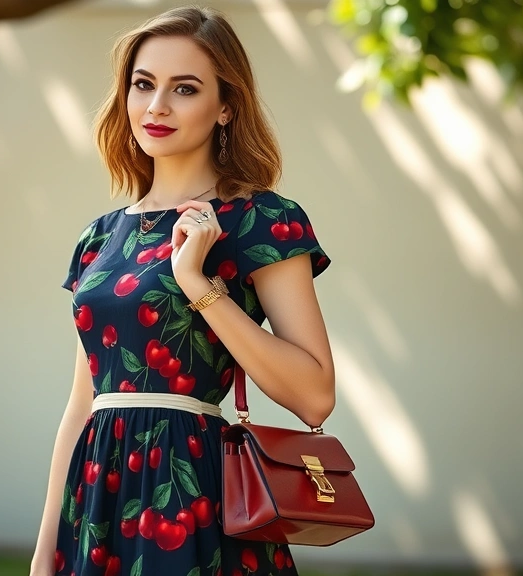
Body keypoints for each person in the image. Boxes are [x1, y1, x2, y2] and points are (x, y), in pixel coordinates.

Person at [30, 6, 335, 575]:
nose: (156, 106)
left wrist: (195, 281)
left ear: (225, 107)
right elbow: (81, 405)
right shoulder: (100, 236)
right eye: (143, 84)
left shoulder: (262, 220)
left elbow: (315, 395)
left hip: (194, 494)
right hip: (97, 500)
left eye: (184, 89)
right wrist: (47, 548)